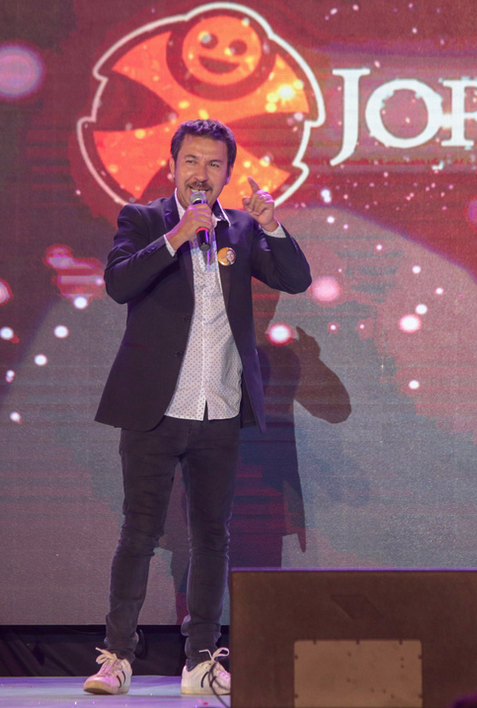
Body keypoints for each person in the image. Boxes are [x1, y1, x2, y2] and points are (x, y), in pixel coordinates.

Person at [83, 118, 313, 696]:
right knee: (139, 533)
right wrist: (177, 235)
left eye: (214, 164)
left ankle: (202, 659)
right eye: (191, 161)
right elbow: (118, 284)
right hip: (155, 410)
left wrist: (272, 225)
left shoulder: (241, 228)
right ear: (173, 165)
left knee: (212, 537)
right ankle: (117, 657)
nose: (201, 174)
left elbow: (296, 278)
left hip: (220, 408)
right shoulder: (143, 220)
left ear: (227, 173)